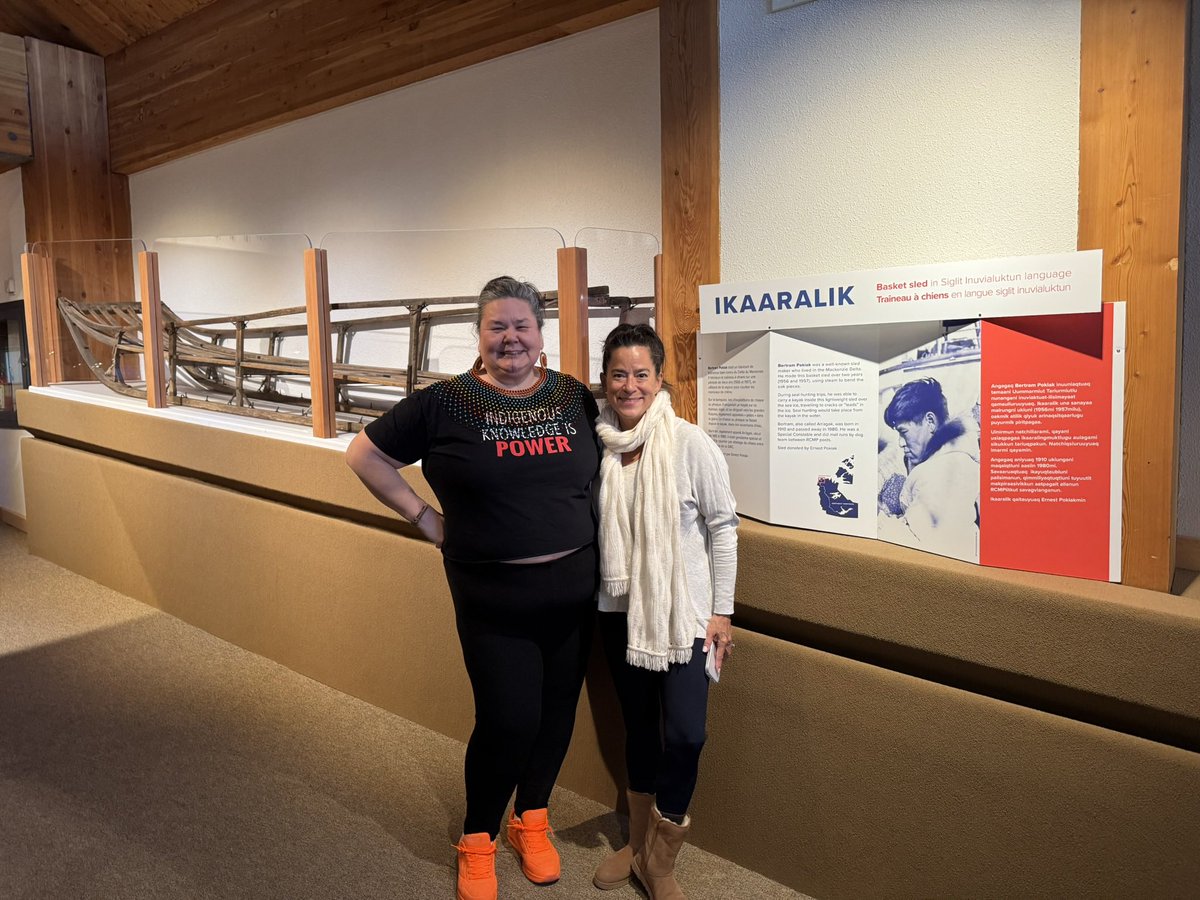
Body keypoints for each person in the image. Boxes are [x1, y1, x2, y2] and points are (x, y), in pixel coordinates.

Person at [345, 276, 600, 900]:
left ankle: (531, 819)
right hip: (493, 598)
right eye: (497, 327)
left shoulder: (573, 397)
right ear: (479, 335)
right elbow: (364, 456)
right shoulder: (445, 402)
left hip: (575, 588)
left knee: (556, 715)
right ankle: (478, 837)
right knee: (508, 721)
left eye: (522, 326)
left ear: (541, 335)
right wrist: (426, 519)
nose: (510, 338)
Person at [590, 323, 738, 900]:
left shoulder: (688, 443)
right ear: (605, 381)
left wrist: (721, 612)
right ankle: (635, 841)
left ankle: (660, 858)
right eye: (618, 374)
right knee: (639, 732)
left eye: (641, 374)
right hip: (618, 612)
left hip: (684, 620)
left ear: (659, 378)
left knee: (686, 735)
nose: (630, 386)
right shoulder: (599, 443)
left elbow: (724, 528)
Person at [880, 376, 980, 559]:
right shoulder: (947, 458)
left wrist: (878, 519)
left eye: (904, 432)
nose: (901, 443)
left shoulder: (941, 471)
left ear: (930, 422)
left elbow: (919, 546)